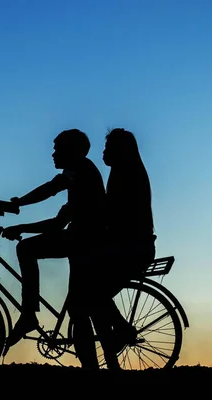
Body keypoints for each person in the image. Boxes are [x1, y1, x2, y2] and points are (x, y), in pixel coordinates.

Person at [0, 128, 107, 350]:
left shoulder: (79, 168)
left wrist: (17, 205)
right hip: (83, 240)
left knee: (26, 249)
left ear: (71, 150)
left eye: (57, 149)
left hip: (84, 241)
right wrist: (22, 227)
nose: (53, 154)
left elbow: (51, 188)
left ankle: (28, 314)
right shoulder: (81, 182)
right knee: (79, 309)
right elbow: (56, 224)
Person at [73, 127, 158, 369]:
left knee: (91, 294)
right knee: (94, 296)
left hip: (130, 249)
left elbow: (110, 214)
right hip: (131, 247)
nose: (103, 152)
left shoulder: (125, 175)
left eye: (108, 148)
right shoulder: (126, 172)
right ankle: (111, 358)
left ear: (120, 151)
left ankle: (120, 331)